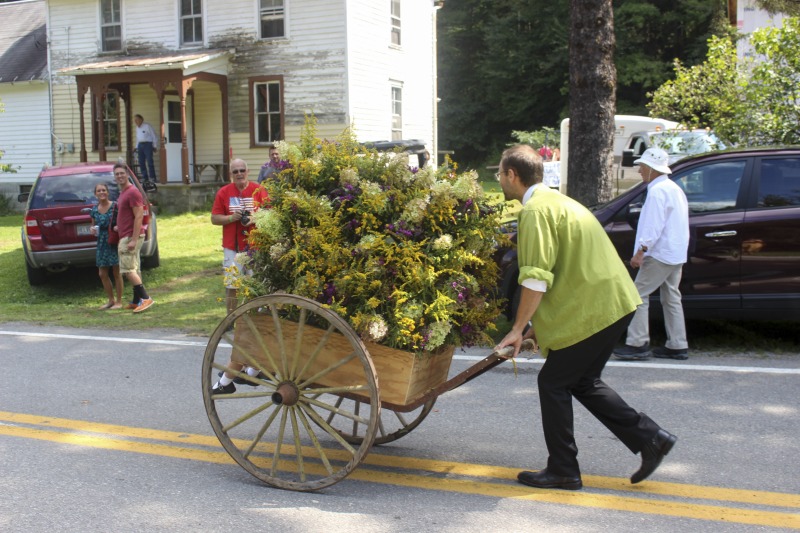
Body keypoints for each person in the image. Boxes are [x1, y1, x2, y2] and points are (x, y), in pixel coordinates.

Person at [494, 144, 677, 491]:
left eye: (500, 173)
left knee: (553, 383)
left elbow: (535, 277)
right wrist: (534, 327)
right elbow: (564, 267)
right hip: (614, 302)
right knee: (581, 381)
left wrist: (517, 329)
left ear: (511, 175)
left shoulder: (534, 211)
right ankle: (651, 438)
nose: (499, 179)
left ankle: (564, 469)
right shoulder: (559, 201)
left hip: (595, 306)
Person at [613, 147, 690, 361]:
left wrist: (641, 251)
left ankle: (638, 343)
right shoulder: (674, 188)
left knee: (637, 295)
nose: (639, 171)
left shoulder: (657, 191)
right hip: (675, 253)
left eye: (642, 167)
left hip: (659, 253)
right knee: (672, 297)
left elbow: (653, 226)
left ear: (652, 169)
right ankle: (677, 344)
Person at [210, 159, 262, 394]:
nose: (239, 174)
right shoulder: (224, 192)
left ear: (247, 171)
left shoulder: (258, 190)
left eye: (242, 170)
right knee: (232, 285)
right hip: (232, 246)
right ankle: (231, 320)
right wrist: (232, 217)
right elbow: (214, 218)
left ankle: (254, 318)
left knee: (255, 285)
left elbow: (270, 213)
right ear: (230, 174)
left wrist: (255, 217)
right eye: (235, 172)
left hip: (254, 246)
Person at [113, 163, 155, 313]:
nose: (119, 176)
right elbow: (127, 215)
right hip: (125, 234)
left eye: (122, 173)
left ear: (128, 174)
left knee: (127, 269)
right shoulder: (123, 192)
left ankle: (145, 298)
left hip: (131, 237)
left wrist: (133, 239)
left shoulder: (132, 192)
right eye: (117, 174)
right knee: (133, 268)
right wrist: (119, 226)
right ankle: (137, 300)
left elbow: (139, 216)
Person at [90, 183, 123, 310]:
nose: (102, 192)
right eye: (99, 191)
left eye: (104, 190)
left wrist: (118, 228)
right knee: (102, 273)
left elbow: (123, 221)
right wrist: (92, 229)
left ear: (108, 192)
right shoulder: (94, 210)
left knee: (117, 272)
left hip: (114, 241)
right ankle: (111, 300)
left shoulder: (115, 206)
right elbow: (92, 225)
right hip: (102, 243)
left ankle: (119, 301)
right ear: (95, 194)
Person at [134, 114, 158, 185]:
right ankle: (145, 178)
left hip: (148, 145)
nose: (136, 121)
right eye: (135, 120)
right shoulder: (137, 128)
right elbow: (138, 138)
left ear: (141, 119)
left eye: (137, 120)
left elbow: (154, 136)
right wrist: (136, 147)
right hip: (140, 145)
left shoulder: (147, 126)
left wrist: (155, 146)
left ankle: (152, 178)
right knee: (141, 162)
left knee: (150, 161)